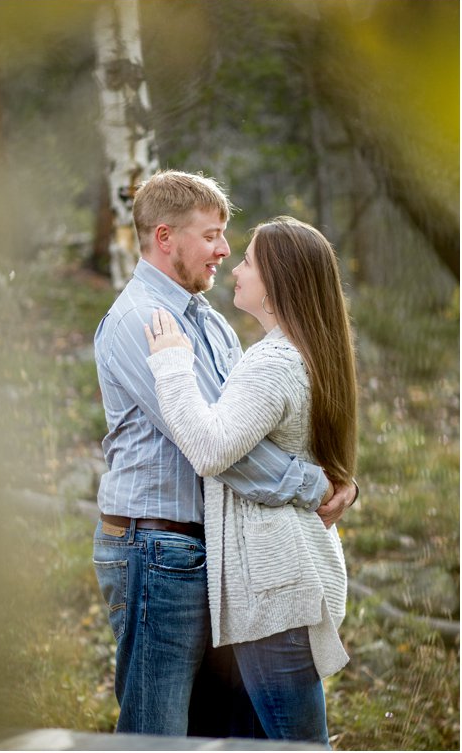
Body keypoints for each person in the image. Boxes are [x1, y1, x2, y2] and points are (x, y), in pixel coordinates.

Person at [92, 171, 356, 737]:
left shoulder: (209, 323)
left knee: (210, 730)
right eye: (211, 235)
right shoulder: (141, 321)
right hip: (154, 545)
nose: (224, 249)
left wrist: (334, 479)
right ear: (166, 238)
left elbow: (248, 432)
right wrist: (317, 488)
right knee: (156, 731)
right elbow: (224, 452)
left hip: (206, 551)